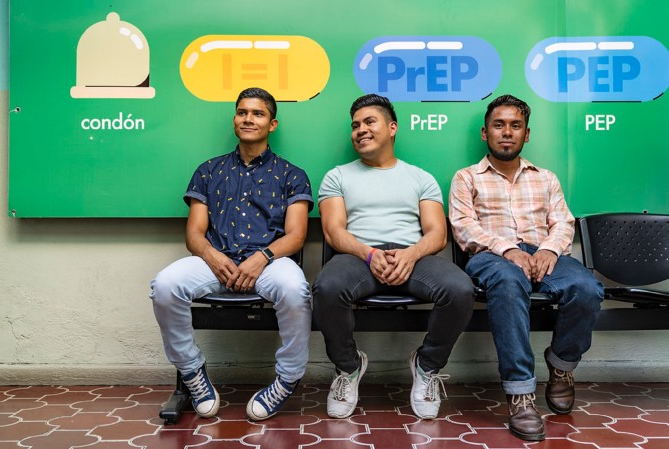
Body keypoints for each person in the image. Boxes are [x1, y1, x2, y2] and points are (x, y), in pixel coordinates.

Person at [150, 87, 313, 421]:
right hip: (216, 261)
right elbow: (194, 234)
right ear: (234, 119)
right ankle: (193, 372)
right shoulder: (209, 170)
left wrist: (262, 257)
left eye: (257, 113)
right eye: (242, 112)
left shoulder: (292, 175)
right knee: (165, 286)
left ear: (273, 124)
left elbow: (296, 236)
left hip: (270, 262)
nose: (248, 118)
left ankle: (288, 377)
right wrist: (213, 257)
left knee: (296, 290)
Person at [448, 94, 604, 441]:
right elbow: (464, 226)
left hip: (544, 252)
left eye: (515, 125)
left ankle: (562, 366)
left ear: (526, 134)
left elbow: (563, 223)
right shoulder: (466, 177)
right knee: (507, 280)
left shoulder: (545, 178)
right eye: (498, 125)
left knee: (587, 288)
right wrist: (508, 250)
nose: (507, 132)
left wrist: (549, 250)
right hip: (491, 255)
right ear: (484, 133)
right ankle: (520, 393)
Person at [312, 93, 476, 420]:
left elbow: (436, 234)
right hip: (359, 256)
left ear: (392, 127)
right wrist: (369, 253)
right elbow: (333, 231)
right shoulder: (338, 176)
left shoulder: (420, 177)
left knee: (460, 289)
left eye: (369, 122)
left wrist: (410, 255)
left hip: (412, 257)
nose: (361, 130)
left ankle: (426, 366)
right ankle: (348, 367)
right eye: (355, 125)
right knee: (327, 287)